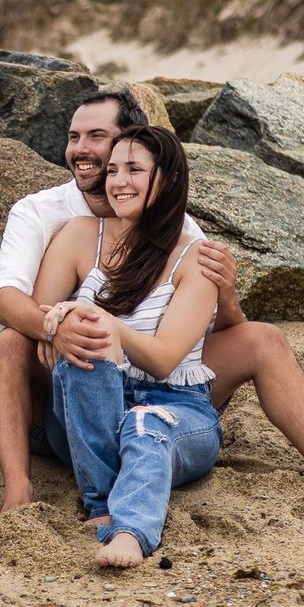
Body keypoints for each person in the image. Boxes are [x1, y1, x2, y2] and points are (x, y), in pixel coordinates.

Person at [0, 89, 304, 518]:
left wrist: (227, 296)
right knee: (9, 342)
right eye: (74, 137)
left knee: (263, 339)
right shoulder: (48, 214)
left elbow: (195, 337)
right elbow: (6, 303)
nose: (81, 149)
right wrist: (57, 326)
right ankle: (19, 490)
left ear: (134, 142)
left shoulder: (179, 229)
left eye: (97, 136)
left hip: (159, 375)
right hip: (82, 375)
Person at [33, 126, 218, 568]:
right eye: (113, 170)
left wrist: (108, 323)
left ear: (168, 179)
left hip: (176, 407)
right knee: (85, 339)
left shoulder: (197, 257)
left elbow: (164, 359)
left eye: (134, 169)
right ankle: (102, 503)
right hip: (88, 409)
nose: (118, 182)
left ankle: (130, 532)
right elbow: (39, 311)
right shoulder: (81, 234)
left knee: (144, 424)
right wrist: (59, 323)